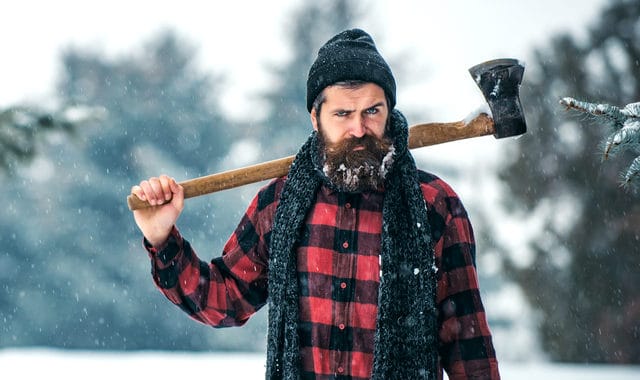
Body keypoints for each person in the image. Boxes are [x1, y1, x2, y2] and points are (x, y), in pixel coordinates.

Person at [131, 28, 500, 380]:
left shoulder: (434, 205)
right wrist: (163, 239)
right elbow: (224, 298)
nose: (358, 128)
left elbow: (468, 345)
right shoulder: (279, 205)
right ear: (315, 118)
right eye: (342, 114)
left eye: (372, 111)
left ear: (390, 111)